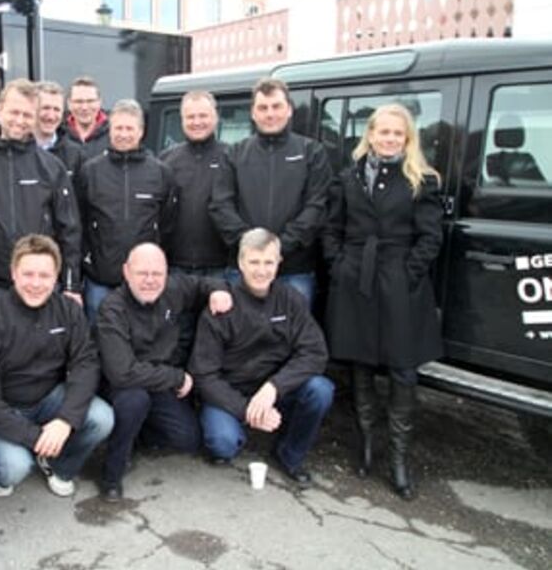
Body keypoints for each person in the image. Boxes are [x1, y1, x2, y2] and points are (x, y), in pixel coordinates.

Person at [323, 103, 443, 501]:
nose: (389, 138)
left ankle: (399, 459)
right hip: (356, 277)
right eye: (383, 131)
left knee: (402, 370)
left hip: (398, 281)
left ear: (407, 139)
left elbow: (430, 237)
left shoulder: (421, 180)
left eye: (398, 133)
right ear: (370, 134)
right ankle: (367, 448)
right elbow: (332, 228)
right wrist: (340, 265)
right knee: (360, 364)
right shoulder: (349, 176)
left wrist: (407, 274)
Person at [0, 234, 114, 498]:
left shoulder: (68, 310)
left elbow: (86, 364)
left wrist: (65, 420)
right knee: (14, 467)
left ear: (56, 276)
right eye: (28, 274)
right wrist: (36, 437)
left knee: (102, 418)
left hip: (48, 399)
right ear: (13, 273)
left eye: (44, 276)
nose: (36, 284)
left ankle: (57, 464)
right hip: (3, 408)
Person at [190, 228, 333, 489]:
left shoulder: (291, 299)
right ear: (241, 263)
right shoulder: (222, 304)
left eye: (269, 262)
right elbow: (204, 375)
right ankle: (243, 426)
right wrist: (247, 410)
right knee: (222, 444)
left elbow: (315, 352)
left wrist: (274, 388)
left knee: (320, 389)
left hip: (276, 390)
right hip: (231, 392)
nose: (261, 270)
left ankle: (290, 454)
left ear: (279, 263)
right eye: (254, 262)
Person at [95, 243, 232, 501]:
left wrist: (219, 291)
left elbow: (204, 283)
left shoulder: (174, 289)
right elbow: (122, 372)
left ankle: (136, 433)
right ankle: (112, 473)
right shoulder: (111, 309)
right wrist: (177, 378)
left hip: (157, 382)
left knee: (188, 439)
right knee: (134, 401)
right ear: (126, 272)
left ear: (167, 273)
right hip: (122, 385)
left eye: (157, 274)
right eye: (142, 273)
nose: (150, 280)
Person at [0, 78, 82, 317]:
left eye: (27, 115)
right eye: (14, 112)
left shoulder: (52, 168)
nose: (20, 121)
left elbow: (69, 230)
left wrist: (71, 284)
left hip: (40, 286)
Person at [209, 78, 330, 306]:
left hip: (295, 269)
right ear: (253, 113)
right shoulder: (234, 154)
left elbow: (317, 206)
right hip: (244, 270)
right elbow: (220, 205)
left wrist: (279, 248)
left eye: (276, 106)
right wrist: (253, 248)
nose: (270, 114)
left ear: (289, 110)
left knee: (294, 337)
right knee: (241, 337)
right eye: (263, 108)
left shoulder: (312, 152)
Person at [74, 98, 178, 323]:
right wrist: (88, 261)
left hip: (144, 283)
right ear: (109, 130)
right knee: (98, 343)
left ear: (141, 131)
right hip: (100, 282)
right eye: (118, 128)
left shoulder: (160, 173)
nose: (123, 134)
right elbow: (79, 222)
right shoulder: (90, 172)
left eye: (129, 128)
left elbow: (168, 225)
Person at [159, 90, 231, 361]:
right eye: (191, 116)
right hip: (177, 265)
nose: (197, 121)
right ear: (181, 120)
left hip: (220, 266)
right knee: (179, 335)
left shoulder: (231, 156)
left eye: (203, 115)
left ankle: (210, 395)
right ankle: (182, 394)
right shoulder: (166, 159)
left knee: (217, 334)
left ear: (215, 117)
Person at [35, 81, 84, 177]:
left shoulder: (75, 154)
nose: (51, 116)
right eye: (45, 108)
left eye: (56, 109)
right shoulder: (17, 150)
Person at [65, 75, 109, 161]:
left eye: (90, 101)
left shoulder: (114, 135)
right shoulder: (58, 134)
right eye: (79, 101)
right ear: (69, 104)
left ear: (99, 102)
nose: (84, 107)